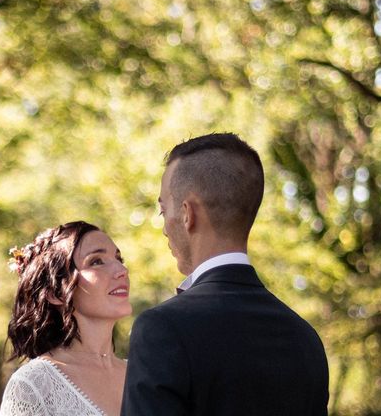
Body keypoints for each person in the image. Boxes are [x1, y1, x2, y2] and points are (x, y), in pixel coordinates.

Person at [121, 133, 329, 415]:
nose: (164, 227)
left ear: (187, 214)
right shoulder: (305, 339)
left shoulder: (162, 329)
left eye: (162, 210)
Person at [0, 221, 131, 416]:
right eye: (97, 261)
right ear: (55, 292)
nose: (122, 270)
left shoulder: (144, 374)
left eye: (119, 258)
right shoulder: (33, 385)